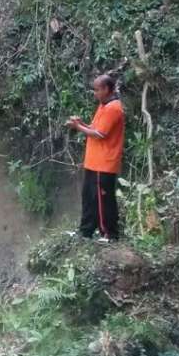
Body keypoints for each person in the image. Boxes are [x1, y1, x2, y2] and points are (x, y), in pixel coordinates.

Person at [66, 74, 125, 241]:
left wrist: (78, 127)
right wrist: (81, 123)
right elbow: (94, 128)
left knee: (103, 201)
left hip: (104, 164)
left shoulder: (114, 108)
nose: (94, 93)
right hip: (94, 162)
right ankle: (86, 231)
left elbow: (100, 134)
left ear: (107, 89)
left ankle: (109, 234)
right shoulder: (103, 105)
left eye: (97, 89)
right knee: (89, 198)